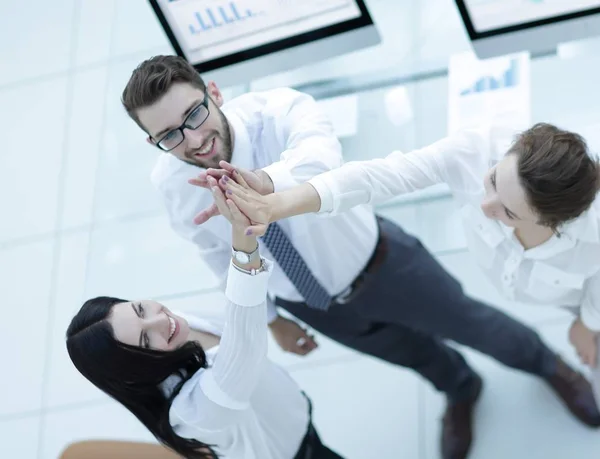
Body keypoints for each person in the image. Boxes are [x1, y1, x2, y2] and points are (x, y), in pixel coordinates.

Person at [120, 55, 600, 459]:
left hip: (385, 266)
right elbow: (212, 250)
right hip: (311, 303)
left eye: (194, 115)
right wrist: (271, 318)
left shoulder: (281, 109)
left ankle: (548, 367)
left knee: (475, 324)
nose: (193, 140)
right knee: (411, 354)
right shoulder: (171, 185)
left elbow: (321, 160)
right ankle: (460, 388)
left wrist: (268, 187)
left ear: (215, 93)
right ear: (152, 142)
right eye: (169, 136)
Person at [217, 122, 600, 408]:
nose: (485, 206)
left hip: (576, 298)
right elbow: (380, 176)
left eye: (508, 211)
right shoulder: (473, 151)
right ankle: (463, 390)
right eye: (494, 180)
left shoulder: (591, 234)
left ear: (555, 222)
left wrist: (586, 323)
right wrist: (277, 205)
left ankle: (553, 367)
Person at [66, 174, 343, 459]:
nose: (160, 320)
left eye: (140, 310)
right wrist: (242, 239)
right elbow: (244, 345)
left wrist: (275, 323)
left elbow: (237, 324)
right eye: (146, 339)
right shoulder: (198, 410)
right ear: (138, 369)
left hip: (297, 426)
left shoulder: (177, 328)